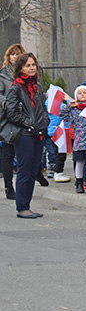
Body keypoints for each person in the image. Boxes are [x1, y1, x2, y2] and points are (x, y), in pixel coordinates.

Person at [3, 52, 48, 218]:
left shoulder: (37, 86)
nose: (31, 68)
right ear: (20, 68)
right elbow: (11, 113)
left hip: (38, 133)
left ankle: (27, 205)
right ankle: (22, 207)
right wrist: (28, 123)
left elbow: (42, 108)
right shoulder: (15, 87)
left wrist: (44, 122)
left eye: (33, 65)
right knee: (24, 170)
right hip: (24, 134)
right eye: (28, 65)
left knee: (33, 170)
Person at [0, 43, 25, 200]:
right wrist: (6, 103)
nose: (15, 56)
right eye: (13, 54)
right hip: (8, 118)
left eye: (18, 53)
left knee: (26, 152)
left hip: (25, 117)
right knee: (8, 154)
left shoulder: (28, 73)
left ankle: (27, 182)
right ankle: (9, 186)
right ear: (8, 56)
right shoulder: (3, 75)